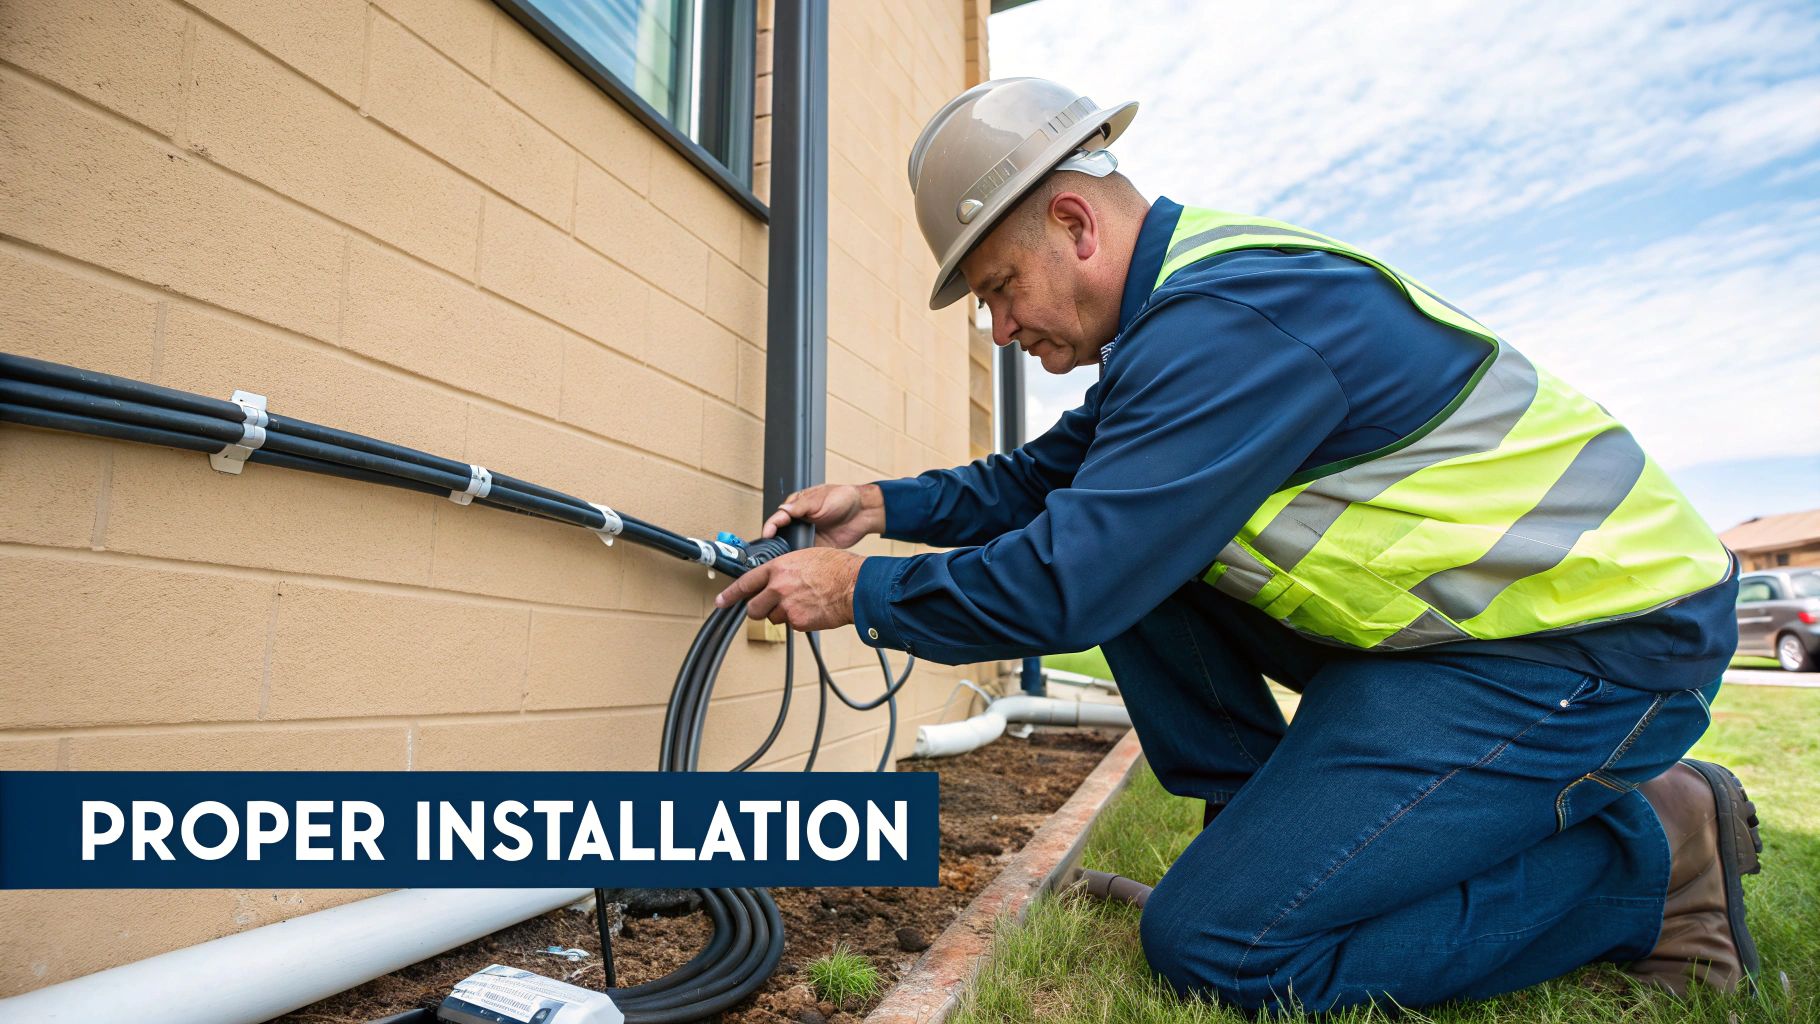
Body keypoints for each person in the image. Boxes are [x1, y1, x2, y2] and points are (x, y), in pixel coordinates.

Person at [713, 78, 1763, 1011]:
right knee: (1132, 551)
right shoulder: (1177, 320)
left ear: (1074, 222)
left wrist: (862, 592)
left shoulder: (1224, 325)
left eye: (996, 287)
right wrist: (881, 501)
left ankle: (1653, 860)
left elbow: (1066, 583)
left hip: (1595, 645)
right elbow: (1044, 480)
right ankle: (1264, 846)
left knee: (1220, 946)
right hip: (1467, 639)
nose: (996, 327)